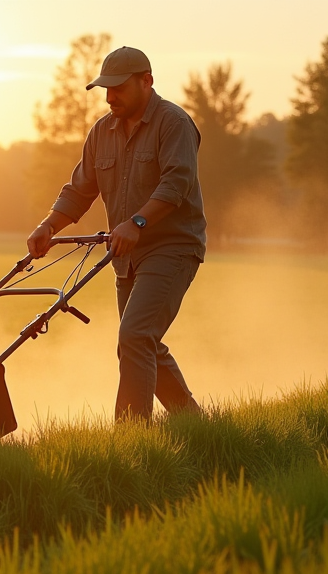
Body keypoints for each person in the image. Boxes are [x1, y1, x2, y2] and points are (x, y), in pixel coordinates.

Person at [27, 46, 206, 420]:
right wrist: (49, 225)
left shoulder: (173, 123)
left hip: (171, 247)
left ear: (147, 82)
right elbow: (79, 190)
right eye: (105, 89)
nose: (110, 97)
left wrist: (137, 222)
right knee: (140, 344)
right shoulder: (101, 132)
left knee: (135, 337)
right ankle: (194, 423)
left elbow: (176, 184)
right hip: (125, 254)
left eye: (118, 88)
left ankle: (131, 440)